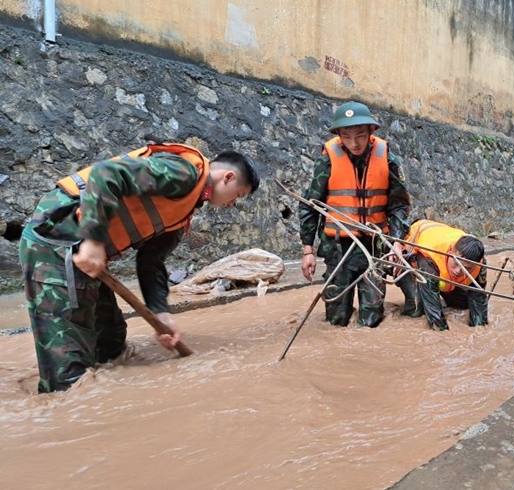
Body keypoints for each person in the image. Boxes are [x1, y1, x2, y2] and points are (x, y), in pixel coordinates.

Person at [19, 143, 260, 393]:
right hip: (56, 241)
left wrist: (161, 313)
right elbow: (106, 174)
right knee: (68, 375)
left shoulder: (183, 212)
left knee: (110, 340)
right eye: (238, 195)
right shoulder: (184, 172)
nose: (233, 204)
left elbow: (151, 261)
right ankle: (63, 406)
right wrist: (93, 240)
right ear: (228, 177)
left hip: (86, 256)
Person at [299, 101, 411, 328]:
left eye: (360, 135)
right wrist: (307, 250)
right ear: (339, 135)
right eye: (346, 136)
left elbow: (399, 205)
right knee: (335, 318)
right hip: (338, 248)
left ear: (371, 131)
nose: (354, 143)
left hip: (373, 247)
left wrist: (397, 243)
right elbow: (311, 205)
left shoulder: (388, 159)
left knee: (371, 318)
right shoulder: (327, 159)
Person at [396, 219, 488, 331]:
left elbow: (479, 303)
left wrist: (479, 332)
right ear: (450, 252)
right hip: (411, 258)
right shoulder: (430, 259)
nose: (458, 271)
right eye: (456, 263)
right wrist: (444, 337)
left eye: (466, 268)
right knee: (416, 308)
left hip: (441, 241)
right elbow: (434, 314)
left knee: (465, 303)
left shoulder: (480, 265)